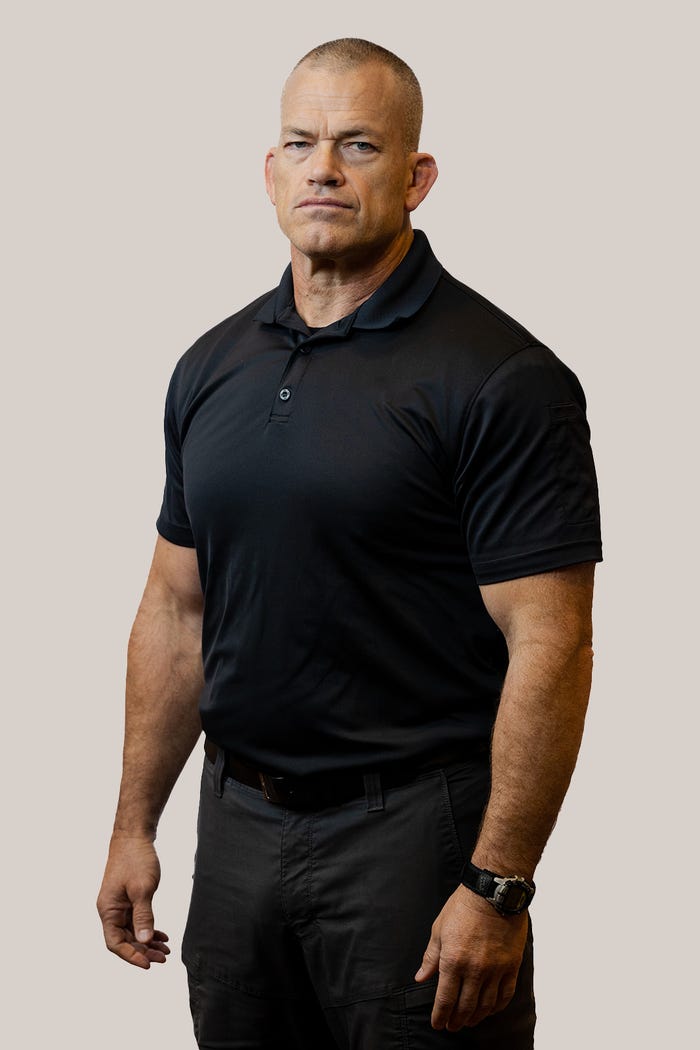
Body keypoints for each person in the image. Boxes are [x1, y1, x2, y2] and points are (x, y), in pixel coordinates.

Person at [97, 38, 602, 1049]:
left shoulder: (500, 378)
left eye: (359, 144)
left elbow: (552, 643)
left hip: (413, 838)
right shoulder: (211, 365)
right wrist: (132, 825)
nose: (323, 167)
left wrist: (497, 885)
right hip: (236, 832)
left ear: (416, 177)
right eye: (302, 142)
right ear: (271, 170)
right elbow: (176, 610)